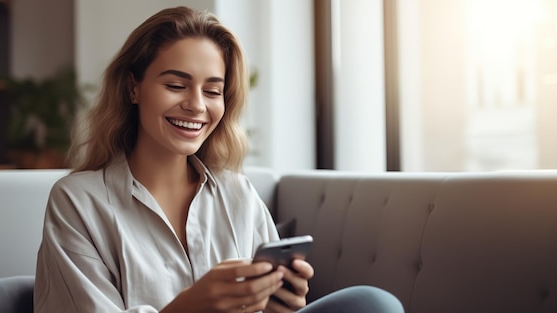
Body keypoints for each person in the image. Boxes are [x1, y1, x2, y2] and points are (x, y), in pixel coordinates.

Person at [34, 6, 404, 313]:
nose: (196, 105)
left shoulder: (237, 194)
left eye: (213, 90)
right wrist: (188, 308)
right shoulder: (78, 201)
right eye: (176, 85)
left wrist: (284, 304)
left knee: (373, 303)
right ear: (134, 87)